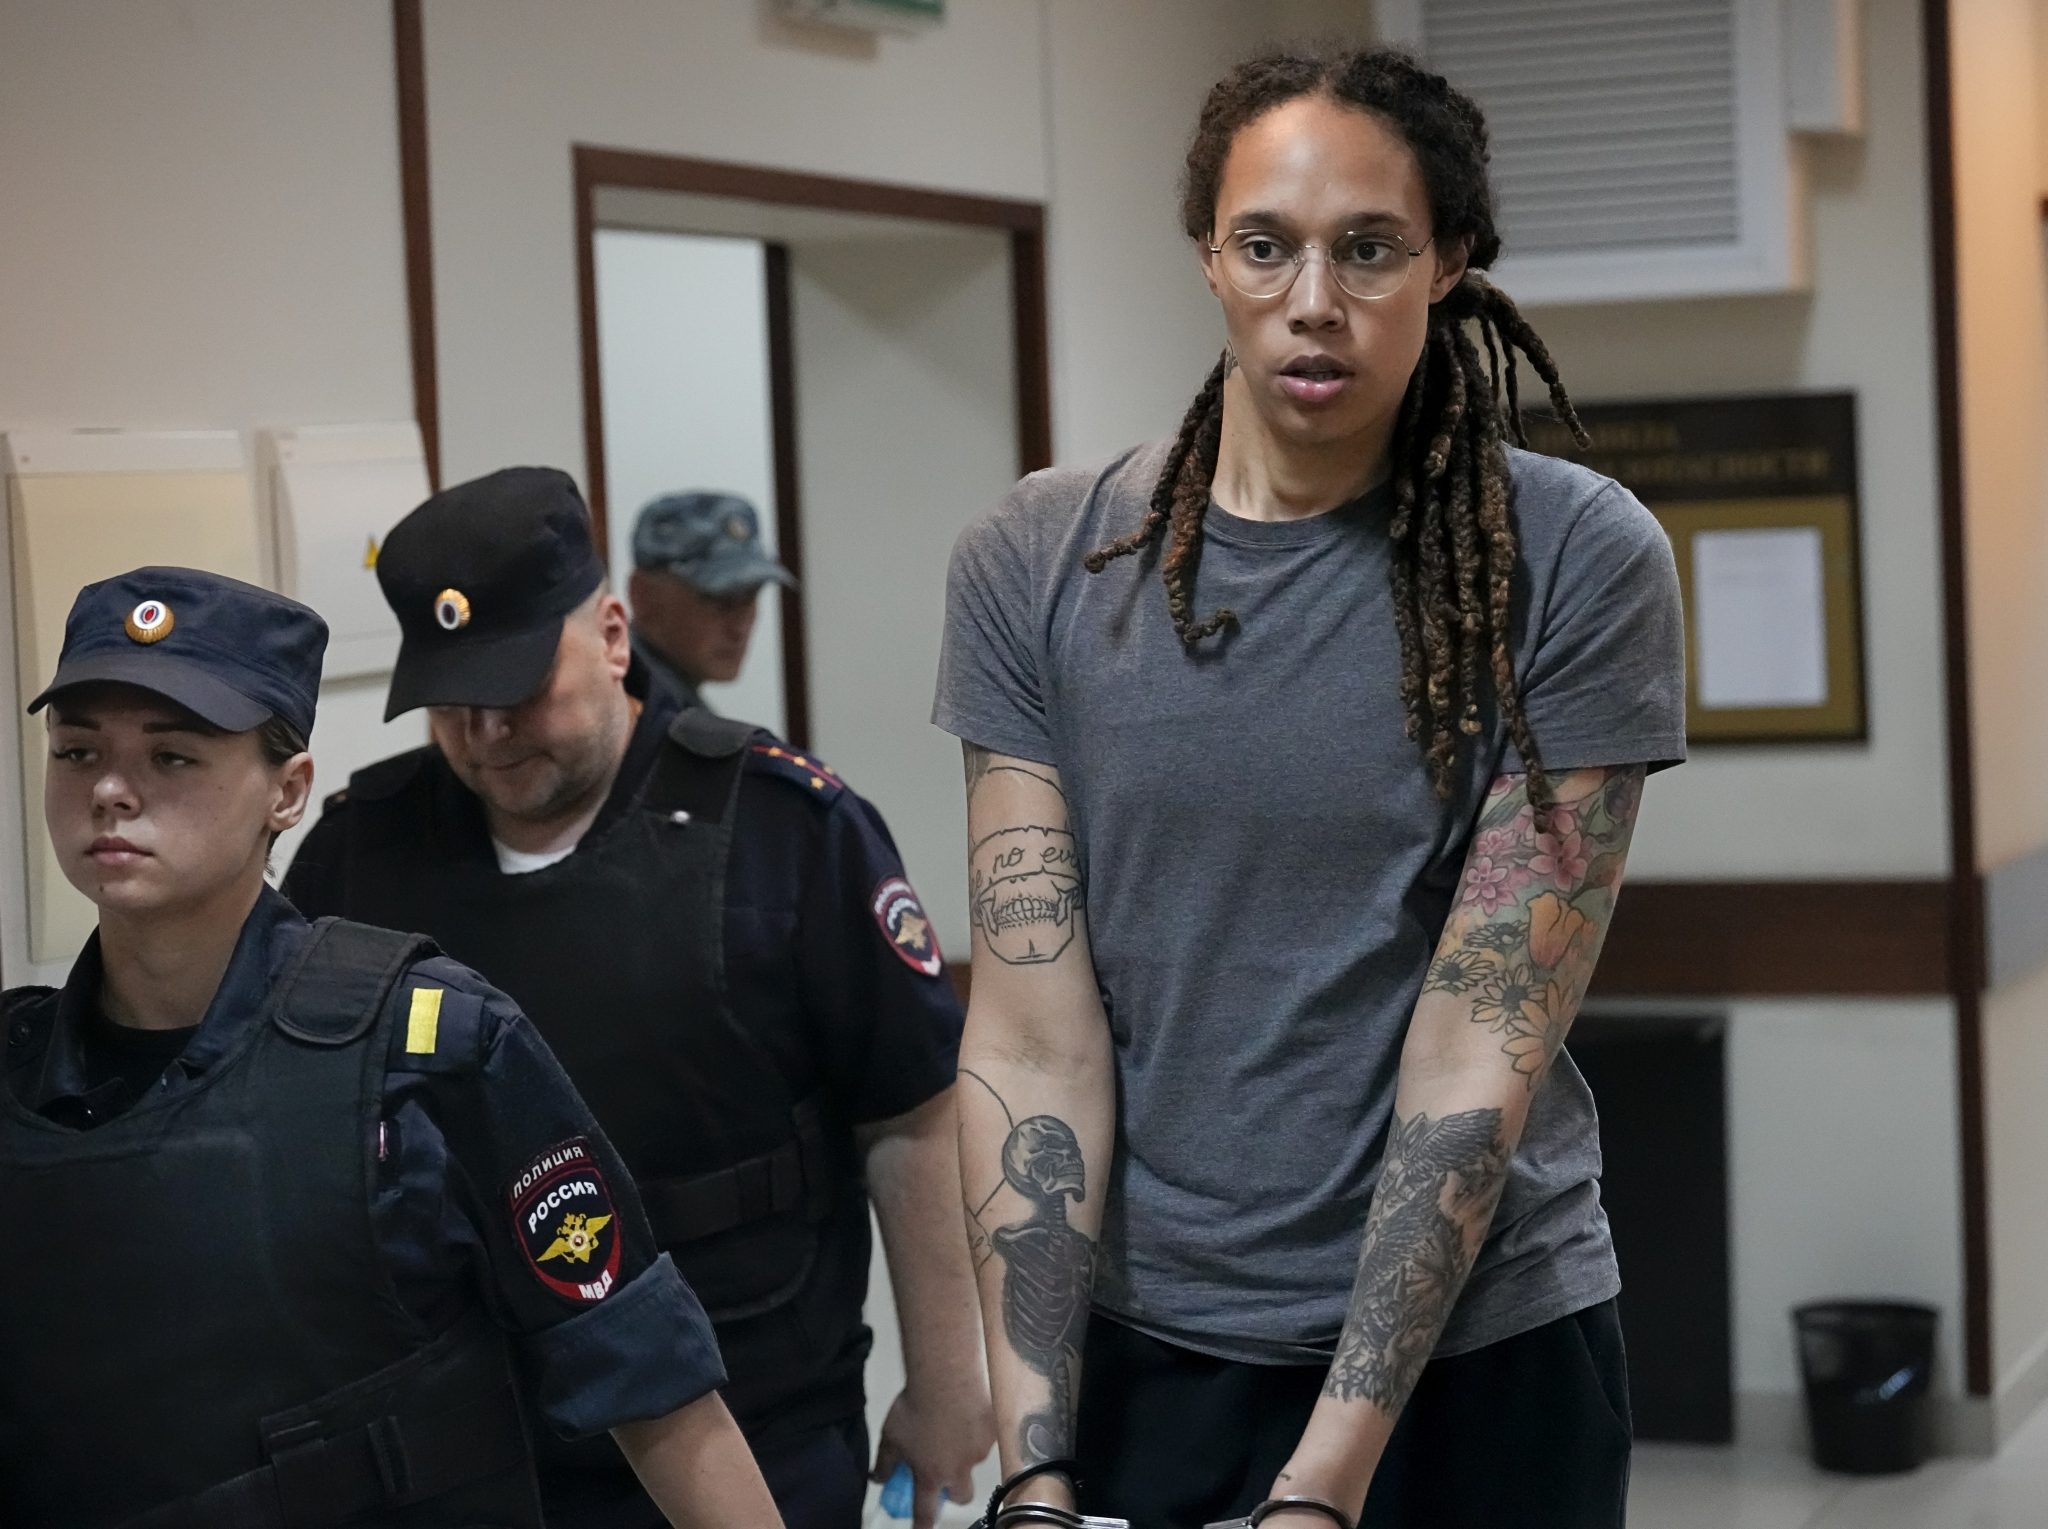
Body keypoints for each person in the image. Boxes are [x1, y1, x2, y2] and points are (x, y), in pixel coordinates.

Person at [935, 46, 1685, 1529]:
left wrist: (1318, 1491)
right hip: (1154, 1350)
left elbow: (1484, 1041)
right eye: (1267, 245)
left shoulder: (1580, 559)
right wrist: (1034, 1459)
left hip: (1478, 1356)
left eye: (1371, 248)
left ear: (1450, 262)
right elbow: (1031, 1032)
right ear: (1210, 255)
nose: (1313, 300)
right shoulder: (1035, 560)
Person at [0, 566, 780, 1529]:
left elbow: (647, 1376)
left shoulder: (436, 1045)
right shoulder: (16, 1073)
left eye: (173, 757)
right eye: (77, 751)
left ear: (287, 792)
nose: (111, 791)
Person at [285, 468, 992, 1529]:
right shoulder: (360, 852)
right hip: (471, 1437)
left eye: (518, 687)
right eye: (450, 700)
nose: (484, 734)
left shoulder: (784, 829)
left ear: (612, 634)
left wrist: (945, 1381)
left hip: (754, 1414)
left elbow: (910, 1110)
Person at [627, 491, 795, 714]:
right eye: (720, 600)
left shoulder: (666, 705)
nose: (739, 628)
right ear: (643, 596)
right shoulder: (630, 713)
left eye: (750, 598)